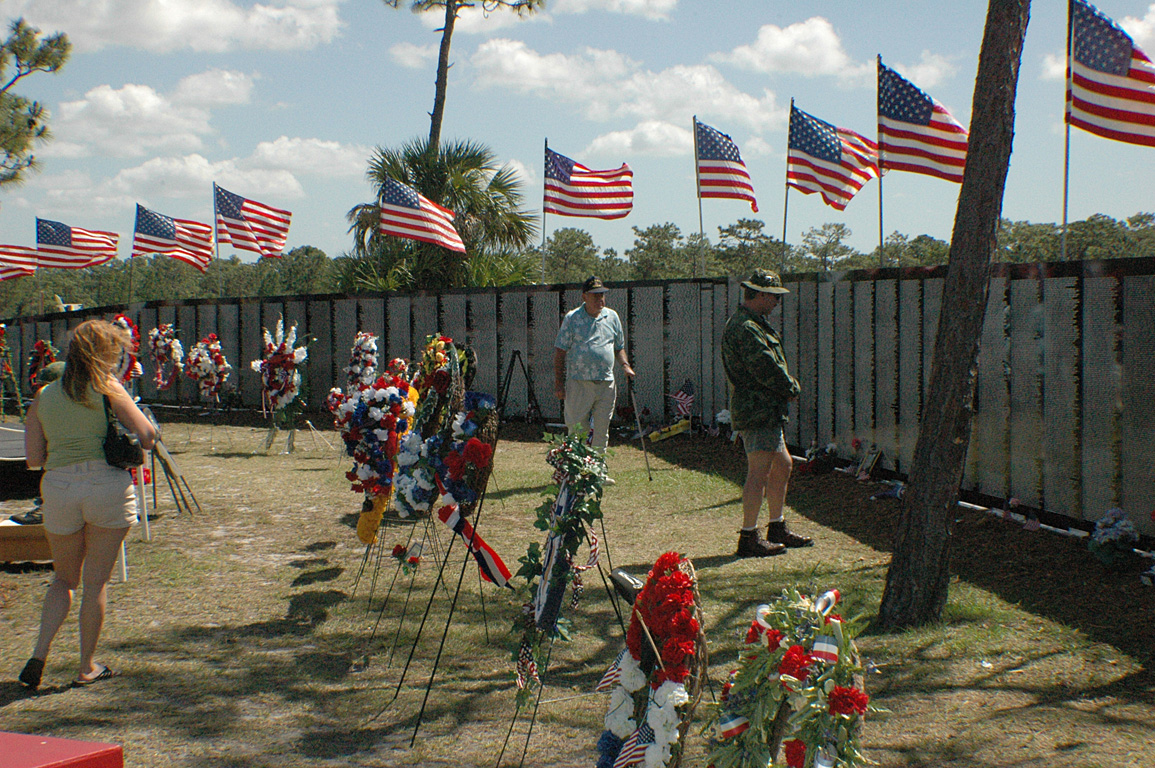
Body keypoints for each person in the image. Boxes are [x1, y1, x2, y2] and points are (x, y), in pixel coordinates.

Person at [18, 319, 157, 689]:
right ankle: (86, 667)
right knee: (95, 583)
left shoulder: (44, 396)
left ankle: (39, 653)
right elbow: (147, 436)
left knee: (63, 578)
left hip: (59, 487)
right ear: (105, 353)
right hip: (105, 485)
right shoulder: (108, 386)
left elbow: (34, 459)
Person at [721, 269, 813, 558]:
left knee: (782, 465)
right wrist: (790, 387)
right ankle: (748, 537)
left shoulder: (754, 323)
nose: (776, 302)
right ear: (760, 294)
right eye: (773, 296)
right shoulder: (746, 327)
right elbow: (764, 366)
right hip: (757, 409)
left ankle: (776, 527)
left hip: (765, 409)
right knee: (758, 473)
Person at [553, 275, 635, 450]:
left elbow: (619, 347)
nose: (600, 299)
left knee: (601, 431)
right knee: (577, 430)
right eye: (595, 295)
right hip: (579, 383)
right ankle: (578, 465)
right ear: (584, 296)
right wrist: (559, 383)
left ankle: (598, 466)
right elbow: (560, 352)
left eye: (602, 295)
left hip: (606, 383)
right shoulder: (572, 318)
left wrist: (625, 366)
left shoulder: (612, 317)